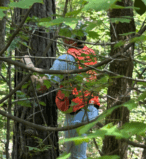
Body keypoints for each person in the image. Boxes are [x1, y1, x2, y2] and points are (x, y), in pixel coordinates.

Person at [22, 29, 100, 159]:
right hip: (90, 108)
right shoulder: (90, 53)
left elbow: (41, 86)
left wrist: (27, 62)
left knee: (77, 156)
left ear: (69, 39)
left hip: (78, 112)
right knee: (70, 154)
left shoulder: (66, 59)